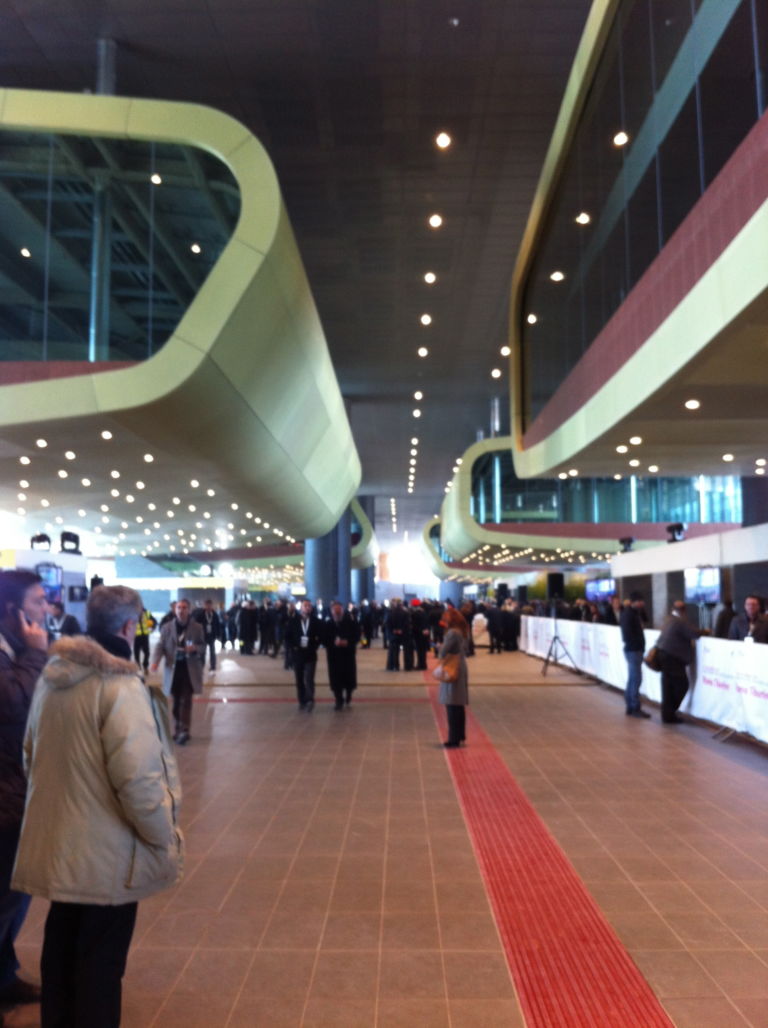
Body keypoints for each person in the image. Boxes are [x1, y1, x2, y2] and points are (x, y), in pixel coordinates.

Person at [11, 585, 183, 1028]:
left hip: (63, 850)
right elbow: (140, 779)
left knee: (62, 955)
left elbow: (29, 754)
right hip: (107, 858)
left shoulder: (53, 676)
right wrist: (164, 837)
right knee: (100, 969)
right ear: (130, 626)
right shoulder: (120, 687)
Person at [0, 570, 48, 1012]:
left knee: (16, 894)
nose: (45, 609)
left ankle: (4, 976)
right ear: (15, 611)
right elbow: (12, 701)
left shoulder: (13, 650)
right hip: (4, 798)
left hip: (17, 790)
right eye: (37, 601)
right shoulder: (11, 655)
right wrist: (36, 658)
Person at [150, 598, 204, 744]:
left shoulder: (197, 628)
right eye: (179, 607)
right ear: (175, 610)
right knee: (175, 701)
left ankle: (184, 730)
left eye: (184, 607)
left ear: (189, 610)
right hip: (172, 669)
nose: (181, 610)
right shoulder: (167, 627)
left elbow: (203, 646)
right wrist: (155, 662)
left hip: (189, 669)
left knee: (186, 700)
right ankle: (177, 728)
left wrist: (195, 649)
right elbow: (160, 646)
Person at [656, 601, 704, 724]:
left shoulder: (669, 619)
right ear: (684, 610)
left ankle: (667, 715)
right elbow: (694, 634)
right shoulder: (680, 621)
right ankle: (670, 712)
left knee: (667, 687)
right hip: (674, 657)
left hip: (664, 655)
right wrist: (706, 631)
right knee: (682, 685)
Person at [436, 607, 469, 748]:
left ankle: (453, 739)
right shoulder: (462, 631)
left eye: (446, 617)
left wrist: (439, 646)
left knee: (451, 704)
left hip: (452, 668)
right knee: (458, 705)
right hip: (460, 666)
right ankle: (460, 735)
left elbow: (443, 652)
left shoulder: (452, 633)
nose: (444, 620)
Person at [284, 599, 323, 710]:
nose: (307, 608)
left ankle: (310, 699)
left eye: (309, 606)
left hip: (310, 654)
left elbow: (320, 636)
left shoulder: (316, 621)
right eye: (305, 606)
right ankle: (302, 699)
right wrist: (293, 647)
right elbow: (287, 637)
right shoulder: (293, 621)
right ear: (300, 607)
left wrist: (315, 645)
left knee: (309, 678)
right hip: (298, 654)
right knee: (299, 678)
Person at [619, 592, 651, 718]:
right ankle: (634, 707)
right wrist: (637, 644)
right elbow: (628, 634)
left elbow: (646, 619)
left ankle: (630, 706)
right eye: (641, 601)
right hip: (634, 650)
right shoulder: (628, 614)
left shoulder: (633, 613)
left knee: (633, 678)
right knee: (636, 679)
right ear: (635, 601)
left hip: (634, 649)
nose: (643, 603)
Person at [323, 601, 360, 709]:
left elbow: (357, 636)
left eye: (339, 610)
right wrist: (333, 643)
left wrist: (347, 642)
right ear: (331, 611)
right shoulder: (328, 624)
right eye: (335, 610)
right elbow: (324, 639)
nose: (337, 612)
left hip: (348, 655)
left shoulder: (351, 622)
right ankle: (338, 699)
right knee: (335, 679)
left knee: (349, 678)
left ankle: (348, 694)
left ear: (342, 610)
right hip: (334, 656)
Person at [194, 598, 221, 671]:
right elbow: (196, 624)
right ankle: (201, 665)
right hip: (203, 636)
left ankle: (213, 666)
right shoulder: (200, 614)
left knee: (212, 652)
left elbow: (217, 625)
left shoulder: (214, 614)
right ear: (205, 605)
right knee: (202, 652)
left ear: (211, 605)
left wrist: (218, 635)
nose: (208, 607)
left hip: (212, 636)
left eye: (210, 605)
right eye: (207, 605)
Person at [133, 607, 154, 672]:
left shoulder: (147, 613)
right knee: (136, 653)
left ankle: (145, 666)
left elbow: (153, 621)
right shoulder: (131, 612)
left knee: (147, 653)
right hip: (136, 636)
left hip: (145, 635)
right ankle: (138, 666)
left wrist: (152, 626)